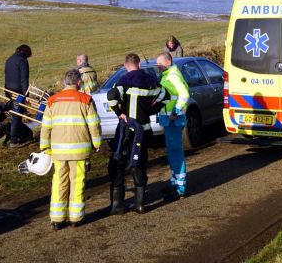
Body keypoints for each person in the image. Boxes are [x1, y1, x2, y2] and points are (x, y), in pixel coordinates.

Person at [40, 69, 102, 230]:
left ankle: (57, 218)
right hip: (80, 151)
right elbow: (94, 125)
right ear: (79, 82)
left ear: (64, 81)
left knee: (59, 182)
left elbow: (45, 127)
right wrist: (97, 144)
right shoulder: (86, 99)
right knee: (77, 182)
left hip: (59, 152)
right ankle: (75, 218)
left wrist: (45, 147)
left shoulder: (52, 101)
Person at [106, 53, 166, 215]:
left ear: (126, 65)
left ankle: (117, 205)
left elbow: (111, 96)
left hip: (127, 130)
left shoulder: (124, 81)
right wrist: (152, 110)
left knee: (118, 163)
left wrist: (119, 112)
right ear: (139, 64)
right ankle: (140, 204)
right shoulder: (151, 80)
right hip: (145, 130)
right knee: (139, 164)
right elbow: (165, 96)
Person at [157, 52, 189, 201]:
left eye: (160, 63)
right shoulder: (167, 74)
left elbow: (184, 94)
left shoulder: (172, 75)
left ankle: (180, 188)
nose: (158, 66)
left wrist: (175, 111)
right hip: (169, 120)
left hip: (173, 120)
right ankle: (174, 183)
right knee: (172, 152)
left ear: (168, 61)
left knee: (175, 152)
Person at [4, 44, 32, 147]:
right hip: (18, 91)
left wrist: (6, 92)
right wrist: (26, 95)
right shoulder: (22, 61)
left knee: (15, 114)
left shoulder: (9, 59)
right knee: (17, 114)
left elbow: (6, 76)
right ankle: (14, 140)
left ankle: (17, 135)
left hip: (9, 90)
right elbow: (24, 79)